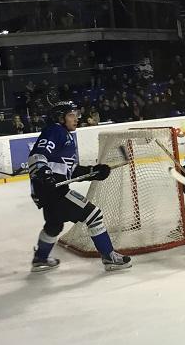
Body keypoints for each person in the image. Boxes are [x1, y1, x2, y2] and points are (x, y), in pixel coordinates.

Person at [28, 101, 132, 272]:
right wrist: (44, 174)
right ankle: (109, 257)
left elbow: (70, 170)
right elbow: (38, 156)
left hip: (48, 191)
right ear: (60, 118)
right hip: (54, 191)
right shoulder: (55, 130)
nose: (76, 118)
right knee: (94, 215)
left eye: (76, 115)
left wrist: (93, 171)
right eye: (71, 115)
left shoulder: (66, 135)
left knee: (54, 225)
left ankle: (40, 259)